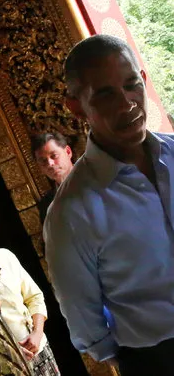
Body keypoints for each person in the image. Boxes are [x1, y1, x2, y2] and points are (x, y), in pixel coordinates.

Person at [44, 34, 174, 376]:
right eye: (105, 94)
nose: (127, 103)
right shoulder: (71, 212)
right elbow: (83, 317)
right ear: (75, 105)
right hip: (158, 358)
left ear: (144, 80)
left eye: (132, 85)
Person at [0, 203, 60, 376]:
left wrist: (37, 333)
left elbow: (35, 297)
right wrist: (9, 351)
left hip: (40, 349)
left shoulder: (6, 256)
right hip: (7, 364)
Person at [31, 132, 74, 224]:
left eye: (54, 156)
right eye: (43, 161)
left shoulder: (96, 178)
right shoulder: (47, 206)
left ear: (68, 152)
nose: (50, 164)